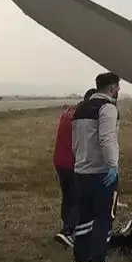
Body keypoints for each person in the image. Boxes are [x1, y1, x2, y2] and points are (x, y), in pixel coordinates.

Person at [71, 72, 121, 262]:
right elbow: (107, 138)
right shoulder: (107, 108)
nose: (118, 91)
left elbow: (75, 142)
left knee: (84, 216)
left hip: (81, 171)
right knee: (103, 218)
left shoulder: (80, 108)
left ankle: (80, 260)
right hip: (101, 173)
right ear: (111, 88)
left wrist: (80, 161)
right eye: (117, 87)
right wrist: (113, 165)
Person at [52, 88, 96, 248]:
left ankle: (66, 228)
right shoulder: (83, 115)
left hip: (59, 160)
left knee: (68, 196)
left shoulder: (68, 111)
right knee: (79, 197)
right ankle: (68, 232)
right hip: (73, 162)